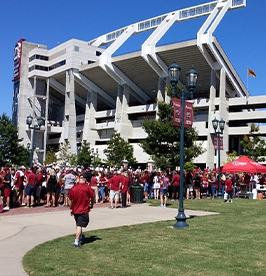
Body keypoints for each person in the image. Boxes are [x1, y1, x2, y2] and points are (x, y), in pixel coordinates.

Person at [68, 174, 95, 248]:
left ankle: (80, 236)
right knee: (79, 225)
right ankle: (76, 241)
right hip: (83, 209)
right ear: (85, 179)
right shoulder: (87, 188)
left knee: (78, 224)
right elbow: (92, 197)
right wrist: (92, 204)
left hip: (75, 209)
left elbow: (69, 199)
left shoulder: (73, 188)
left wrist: (71, 207)